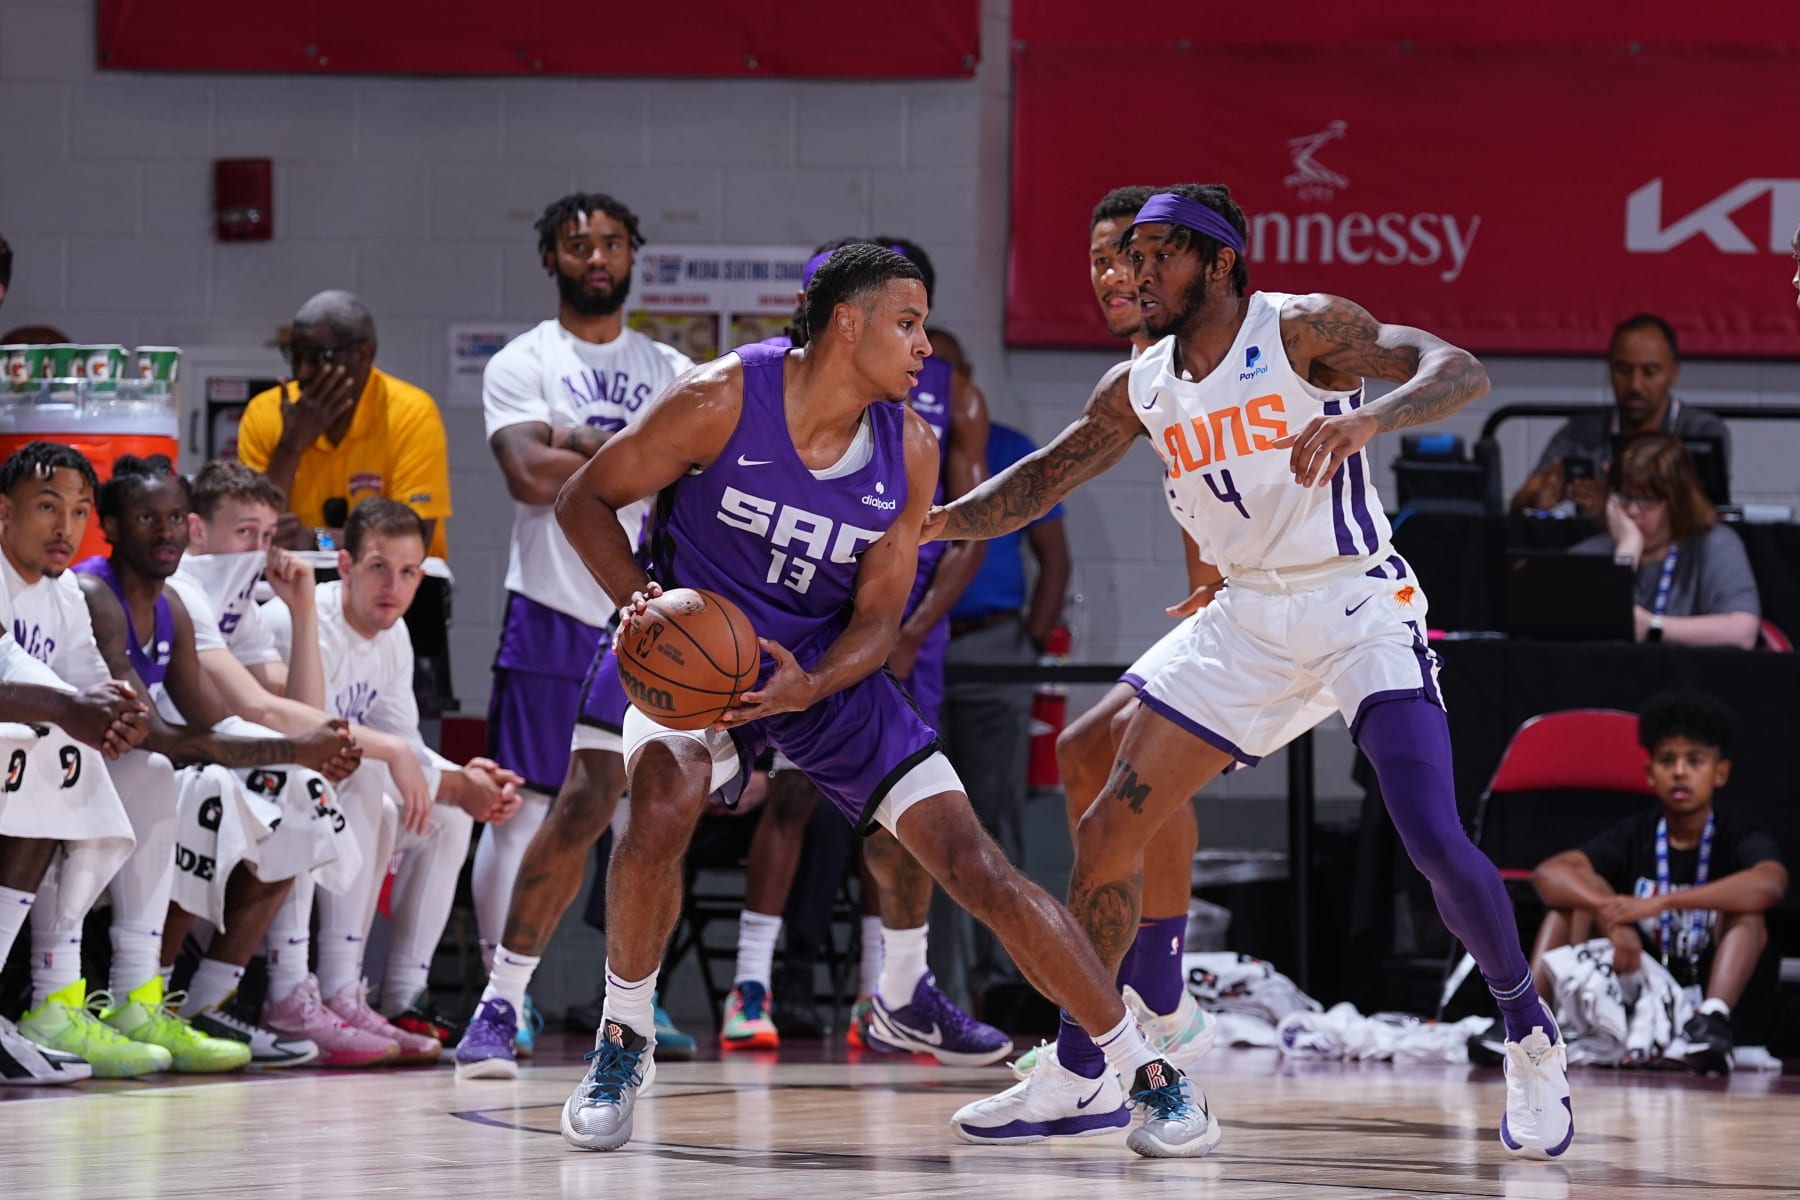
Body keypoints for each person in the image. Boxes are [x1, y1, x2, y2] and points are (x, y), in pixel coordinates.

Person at [930, 185, 1572, 1159]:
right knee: (1105, 830)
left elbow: (1458, 369)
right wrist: (933, 522)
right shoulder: (1140, 384)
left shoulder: (1303, 330)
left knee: (1433, 836)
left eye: (1160, 257)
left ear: (1221, 262)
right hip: (1243, 616)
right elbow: (1040, 480)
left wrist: (1371, 420)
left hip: (1356, 600)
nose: (1136, 274)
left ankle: (1529, 1035)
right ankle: (1082, 1068)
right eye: (1129, 255)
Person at [551, 244, 1215, 1157]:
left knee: (974, 863)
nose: (923, 350)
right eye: (907, 325)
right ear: (847, 323)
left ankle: (1147, 1072)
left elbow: (879, 617)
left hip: (823, 673)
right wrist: (645, 613)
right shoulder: (719, 399)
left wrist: (813, 681)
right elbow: (583, 500)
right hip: (702, 661)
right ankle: (623, 1038)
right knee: (658, 806)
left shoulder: (908, 446)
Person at [718, 237, 1003, 1064]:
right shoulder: (774, 389)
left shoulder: (950, 401)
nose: (916, 338)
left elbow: (968, 535)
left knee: (902, 818)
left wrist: (910, 633)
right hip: (819, 621)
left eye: (921, 316)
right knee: (791, 801)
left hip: (907, 631)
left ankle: (889, 989)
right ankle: (753, 982)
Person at [455, 192, 697, 1077]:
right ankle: (500, 998)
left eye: (610, 242)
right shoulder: (523, 359)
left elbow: (685, 479)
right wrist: (632, 452)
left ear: (635, 254)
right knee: (526, 810)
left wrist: (578, 440)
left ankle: (630, 993)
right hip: (551, 609)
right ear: (551, 258)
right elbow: (526, 474)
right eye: (575, 243)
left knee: (647, 814)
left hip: (648, 612)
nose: (594, 255)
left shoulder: (672, 364)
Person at [20, 454, 355, 1074]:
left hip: (117, 765)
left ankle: (163, 998)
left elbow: (206, 721)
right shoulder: (94, 591)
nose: (166, 530)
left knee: (294, 794)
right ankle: (97, 992)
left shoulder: (171, 602)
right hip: (75, 765)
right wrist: (291, 747)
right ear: (113, 527)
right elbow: (165, 738)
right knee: (180, 784)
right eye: (148, 518)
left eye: (175, 516)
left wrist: (301, 756)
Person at [1013, 186, 1220, 1080]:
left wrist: (1212, 589)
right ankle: (1160, 1003)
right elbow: (1197, 481)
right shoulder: (1151, 363)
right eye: (1099, 260)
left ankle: (1151, 1008)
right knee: (1091, 753)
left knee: (1128, 761)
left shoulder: (1207, 341)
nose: (1113, 276)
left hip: (1301, 609)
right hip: (1241, 601)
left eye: (1129, 257)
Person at [264, 498, 523, 1064]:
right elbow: (319, 740)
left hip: (337, 801)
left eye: (409, 572)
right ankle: (337, 989)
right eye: (380, 567)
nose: (394, 585)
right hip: (275, 798)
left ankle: (402, 996)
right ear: (347, 565)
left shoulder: (394, 636)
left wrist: (461, 778)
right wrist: (430, 768)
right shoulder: (296, 619)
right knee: (370, 792)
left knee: (448, 816)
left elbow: (404, 746)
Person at [1531, 690, 1787, 1073]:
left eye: (1695, 760)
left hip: (1717, 1006)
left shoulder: (1738, 832)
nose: (1680, 771)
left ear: (1721, 772)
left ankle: (1713, 1021)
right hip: (1640, 998)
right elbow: (1549, 873)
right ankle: (1528, 1023)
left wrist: (1660, 903)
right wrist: (1612, 916)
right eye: (1668, 760)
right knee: (1567, 906)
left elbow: (1770, 884)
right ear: (1651, 773)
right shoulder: (1637, 833)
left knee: (1746, 911)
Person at [0, 441, 150, 1083]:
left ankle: (78, 996)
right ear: (4, 511)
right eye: (48, 506)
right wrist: (73, 710)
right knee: (56, 751)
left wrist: (125, 715)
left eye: (81, 510)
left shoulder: (65, 596)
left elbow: (94, 684)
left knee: (151, 775)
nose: (67, 527)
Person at [932, 407, 1071, 1008]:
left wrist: (1032, 641)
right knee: (927, 819)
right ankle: (937, 979)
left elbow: (1055, 558)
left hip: (995, 642)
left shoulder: (1014, 444)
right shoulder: (901, 441)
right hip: (920, 642)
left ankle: (1006, 974)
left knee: (997, 813)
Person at [237, 290, 452, 557]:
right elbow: (250, 533)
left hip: (395, 588)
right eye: (294, 355)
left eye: (318, 357)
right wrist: (290, 446)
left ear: (363, 354)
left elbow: (415, 537)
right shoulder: (265, 412)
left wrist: (319, 541)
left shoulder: (411, 413)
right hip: (289, 584)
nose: (302, 372)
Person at [1511, 314, 1729, 516]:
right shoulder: (1580, 433)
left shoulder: (1703, 432)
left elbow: (1705, 517)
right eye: (1623, 370)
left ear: (1674, 373)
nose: (1635, 385)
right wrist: (1537, 500)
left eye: (1649, 372)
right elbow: (1517, 506)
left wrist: (1613, 506)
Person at [1569, 433, 1760, 648]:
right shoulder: (1589, 553)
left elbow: (1743, 632)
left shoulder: (1715, 545)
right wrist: (1627, 551)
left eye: (1647, 500)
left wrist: (1654, 627)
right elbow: (1590, 627)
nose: (1632, 510)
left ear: (1678, 503)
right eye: (1624, 497)